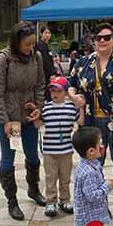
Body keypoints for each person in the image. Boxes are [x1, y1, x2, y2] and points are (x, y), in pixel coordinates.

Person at [67, 22, 113, 219]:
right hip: (92, 123)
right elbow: (71, 85)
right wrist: (73, 97)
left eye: (107, 37)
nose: (102, 41)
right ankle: (97, 201)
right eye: (98, 38)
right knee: (93, 165)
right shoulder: (83, 62)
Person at [0, 21, 47, 220]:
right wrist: (5, 121)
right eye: (27, 44)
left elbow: (40, 84)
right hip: (12, 120)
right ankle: (12, 201)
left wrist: (39, 107)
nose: (31, 48)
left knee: (32, 154)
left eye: (34, 44)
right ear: (16, 42)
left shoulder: (37, 57)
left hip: (29, 116)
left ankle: (34, 189)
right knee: (9, 156)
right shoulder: (3, 60)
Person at [38, 76, 80, 217]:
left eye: (59, 91)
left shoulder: (70, 107)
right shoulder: (46, 107)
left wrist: (81, 105)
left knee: (65, 178)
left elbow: (81, 120)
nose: (55, 94)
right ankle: (50, 202)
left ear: (66, 93)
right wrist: (34, 113)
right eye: (52, 91)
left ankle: (65, 200)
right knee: (50, 178)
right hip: (50, 151)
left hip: (66, 151)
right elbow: (37, 124)